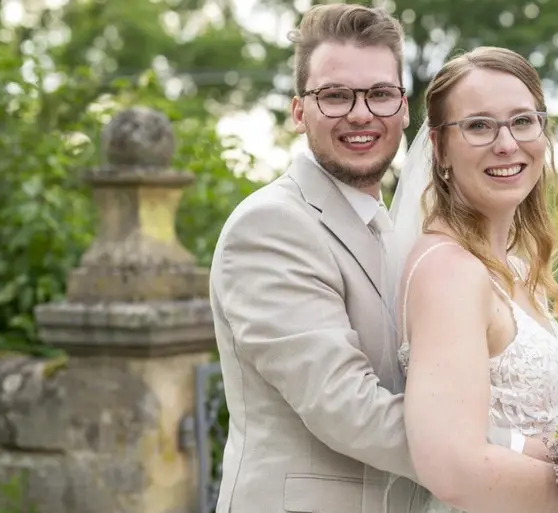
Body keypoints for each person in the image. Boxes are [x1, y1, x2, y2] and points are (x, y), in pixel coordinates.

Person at [208, 6, 538, 513]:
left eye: (380, 94)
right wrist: (515, 449)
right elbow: (345, 407)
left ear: (404, 109)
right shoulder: (270, 227)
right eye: (335, 95)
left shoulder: (404, 233)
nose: (361, 114)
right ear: (299, 111)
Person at [390, 47, 558, 513]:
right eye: (478, 125)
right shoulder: (447, 270)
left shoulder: (513, 267)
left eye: (522, 121)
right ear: (439, 148)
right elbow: (453, 467)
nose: (506, 143)